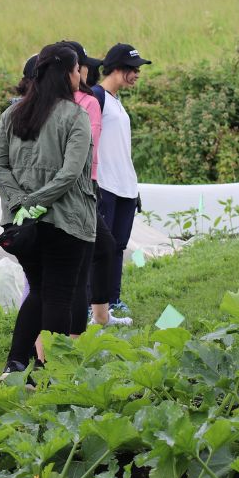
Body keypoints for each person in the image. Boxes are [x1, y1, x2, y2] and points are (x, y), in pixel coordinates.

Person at [0, 43, 97, 376]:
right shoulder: (75, 115)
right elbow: (71, 172)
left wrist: (20, 201)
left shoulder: (14, 113)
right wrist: (36, 201)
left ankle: (15, 364)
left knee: (39, 291)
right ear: (67, 73)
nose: (80, 75)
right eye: (78, 69)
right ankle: (50, 373)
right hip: (66, 221)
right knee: (59, 295)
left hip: (23, 228)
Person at [60, 41, 130, 332]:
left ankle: (105, 307)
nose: (85, 70)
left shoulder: (107, 99)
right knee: (93, 250)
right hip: (94, 186)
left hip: (112, 184)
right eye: (81, 66)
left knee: (110, 248)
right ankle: (92, 314)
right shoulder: (92, 98)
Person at [92, 43, 152, 316]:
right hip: (105, 185)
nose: (137, 73)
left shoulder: (116, 101)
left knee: (118, 247)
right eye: (133, 68)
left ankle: (113, 300)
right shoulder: (97, 98)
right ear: (117, 68)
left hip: (126, 186)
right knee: (101, 249)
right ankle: (96, 306)